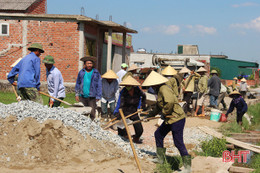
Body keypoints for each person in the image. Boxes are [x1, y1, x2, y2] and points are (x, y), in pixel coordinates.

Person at [142, 71, 191, 173]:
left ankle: (188, 167)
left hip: (177, 118)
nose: (151, 87)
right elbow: (158, 107)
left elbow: (170, 102)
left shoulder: (163, 89)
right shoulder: (159, 90)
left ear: (155, 84)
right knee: (158, 134)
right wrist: (148, 116)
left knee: (178, 142)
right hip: (169, 119)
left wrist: (164, 113)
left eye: (151, 85)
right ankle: (160, 159)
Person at [114, 75, 146, 144]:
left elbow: (144, 96)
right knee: (121, 126)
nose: (128, 87)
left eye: (129, 86)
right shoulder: (124, 91)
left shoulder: (137, 90)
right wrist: (119, 113)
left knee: (139, 129)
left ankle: (136, 138)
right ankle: (122, 138)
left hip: (134, 111)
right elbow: (121, 103)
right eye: (126, 86)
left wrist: (142, 106)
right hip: (125, 110)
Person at [75, 56, 102, 120]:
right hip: (82, 95)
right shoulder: (81, 72)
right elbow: (77, 83)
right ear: (85, 64)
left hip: (92, 96)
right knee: (82, 111)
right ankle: (83, 124)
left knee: (92, 111)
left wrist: (98, 96)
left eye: (91, 63)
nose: (89, 65)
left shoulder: (96, 73)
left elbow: (99, 85)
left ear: (92, 64)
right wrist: (77, 94)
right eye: (88, 63)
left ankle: (92, 123)